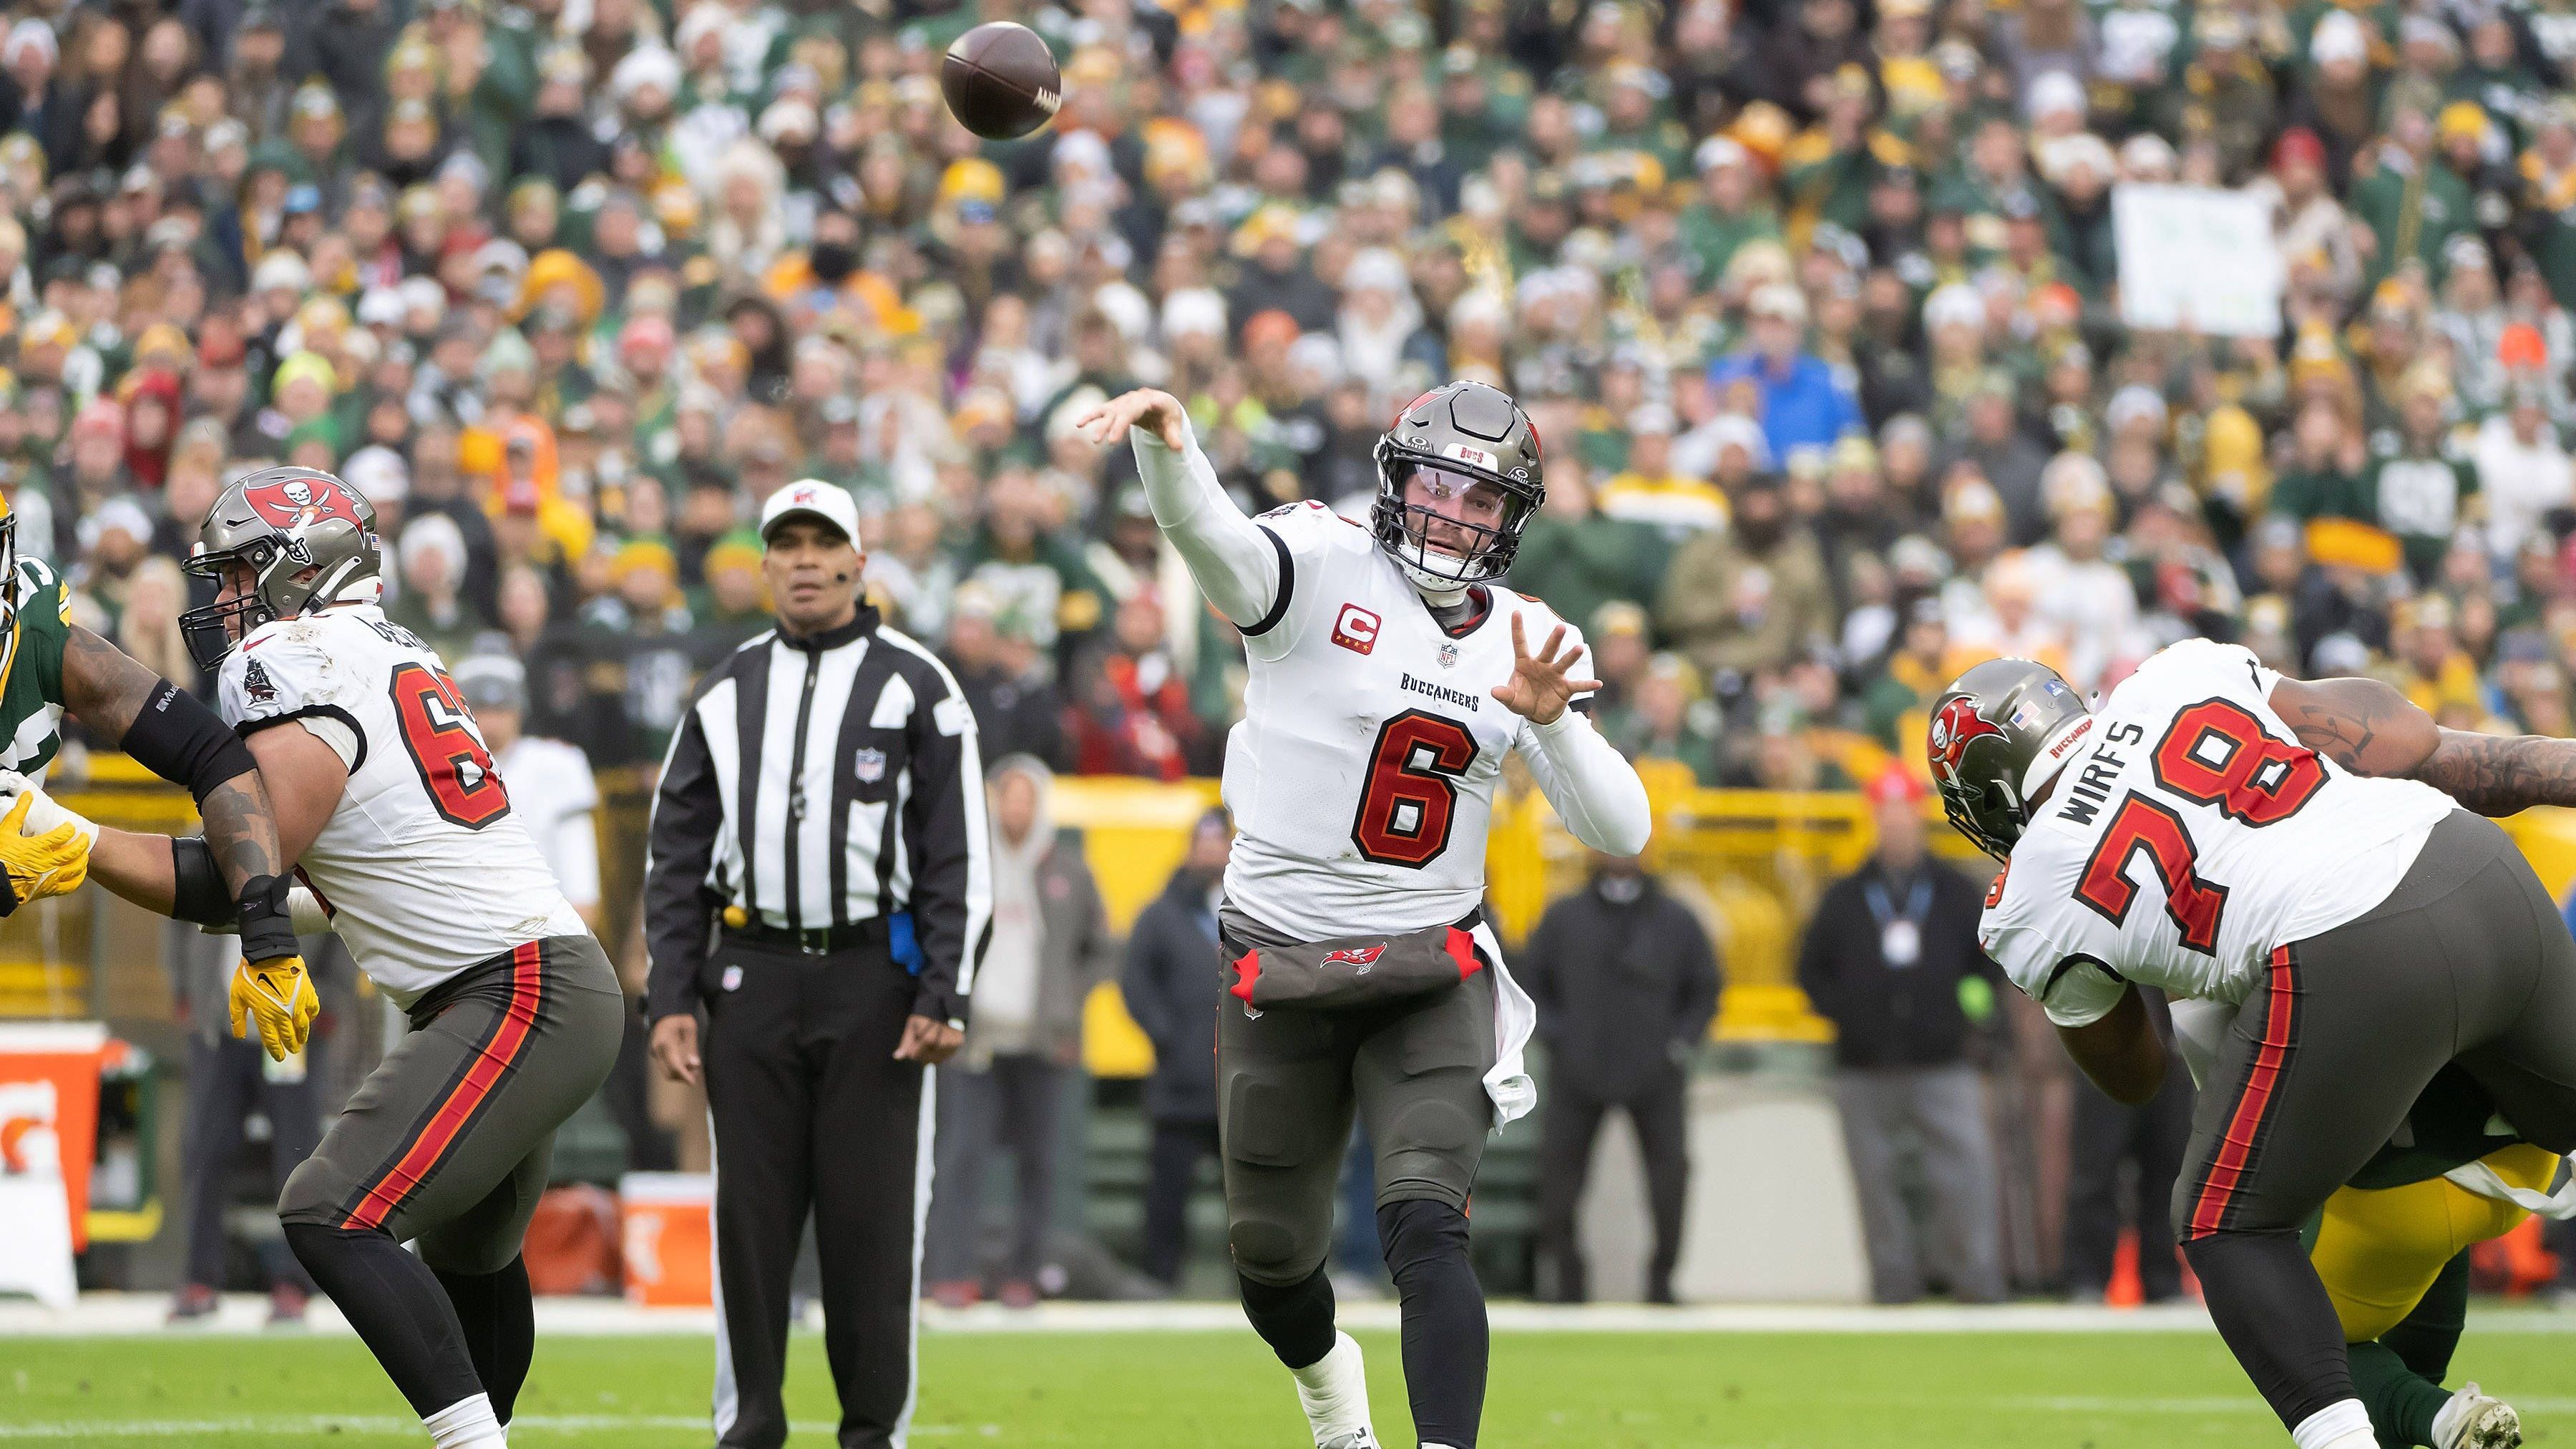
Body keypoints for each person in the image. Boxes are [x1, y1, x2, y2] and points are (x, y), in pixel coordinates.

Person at [1077, 381, 1652, 1449]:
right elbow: (1212, 544)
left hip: (1429, 968)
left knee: (1427, 1223)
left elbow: (1624, 827)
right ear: (1398, 480)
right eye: (1439, 483)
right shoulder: (1318, 562)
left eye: (1483, 501)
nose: (1453, 514)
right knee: (1271, 1262)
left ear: (1511, 523)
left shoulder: (1525, 638)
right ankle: (1331, 1397)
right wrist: (1171, 449)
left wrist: (1557, 727)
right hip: (1279, 966)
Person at [26, 466, 618, 1449]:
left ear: (304, 565)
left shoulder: (299, 655)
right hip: (536, 984)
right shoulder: (385, 649)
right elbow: (323, 881)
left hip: (516, 993)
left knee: (327, 1207)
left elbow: (245, 866)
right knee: (472, 1253)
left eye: (239, 572)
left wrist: (76, 841)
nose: (222, 600)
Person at [1936, 641, 2576, 1448]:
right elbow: (2415, 742)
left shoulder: (2028, 897)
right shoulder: (2172, 677)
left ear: (1988, 800)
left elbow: (2135, 1073)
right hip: (2474, 864)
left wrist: (2150, 949)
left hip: (2351, 950)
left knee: (2222, 1224)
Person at [642, 479, 990, 1449]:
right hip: (749, 973)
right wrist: (669, 992)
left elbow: (960, 856)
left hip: (872, 979)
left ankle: (872, 1430)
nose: (803, 559)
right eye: (785, 543)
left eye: (821, 541)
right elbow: (675, 854)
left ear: (857, 561)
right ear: (763, 565)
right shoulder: (723, 690)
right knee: (748, 1227)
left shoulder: (919, 684)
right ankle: (748, 1420)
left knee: (871, 1228)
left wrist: (946, 987)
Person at [1795, 765, 2006, 1304]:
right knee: (1875, 1180)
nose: (1895, 827)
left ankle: (1974, 1277)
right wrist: (1846, 1012)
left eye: (1902, 816)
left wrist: (1968, 1013)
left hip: (1943, 1058)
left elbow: (1988, 961)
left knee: (1963, 1171)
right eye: (1885, 817)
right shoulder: (1845, 897)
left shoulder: (1956, 891)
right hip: (1864, 1063)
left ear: (1917, 818)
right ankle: (1892, 1283)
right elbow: (1810, 968)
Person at [924, 754, 1111, 1309]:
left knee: (1038, 1163)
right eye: (1009, 796)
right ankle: (952, 1272)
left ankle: (1024, 1274)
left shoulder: (1069, 871)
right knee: (962, 1158)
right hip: (975, 1041)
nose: (1016, 808)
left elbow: (1103, 949)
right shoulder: (969, 867)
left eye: (1027, 798)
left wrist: (1067, 1003)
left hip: (1042, 1043)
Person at [1520, 849, 1719, 1304]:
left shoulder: (1676, 919)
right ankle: (1568, 1284)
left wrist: (1679, 1043)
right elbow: (1531, 981)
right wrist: (1558, 1038)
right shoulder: (1564, 917)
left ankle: (1662, 1282)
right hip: (1579, 1072)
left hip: (1656, 1074)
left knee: (1670, 1179)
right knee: (1559, 1180)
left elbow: (1705, 986)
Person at [1119, 806, 1233, 1289]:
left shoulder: (1251, 911)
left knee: (1247, 1196)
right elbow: (1134, 982)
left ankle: (1254, 1287)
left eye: (1218, 841)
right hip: (1179, 1082)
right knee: (1167, 1189)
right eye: (1201, 842)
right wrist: (1168, 1035)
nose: (1209, 851)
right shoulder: (1160, 914)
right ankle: (1161, 1276)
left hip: (1238, 1081)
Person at [453, 654, 601, 933]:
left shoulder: (557, 763)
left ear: (520, 710)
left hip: (547, 925)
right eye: (480, 710)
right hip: (466, 928)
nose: (492, 723)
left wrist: (576, 934)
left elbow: (580, 874)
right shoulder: (440, 772)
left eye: (502, 710)